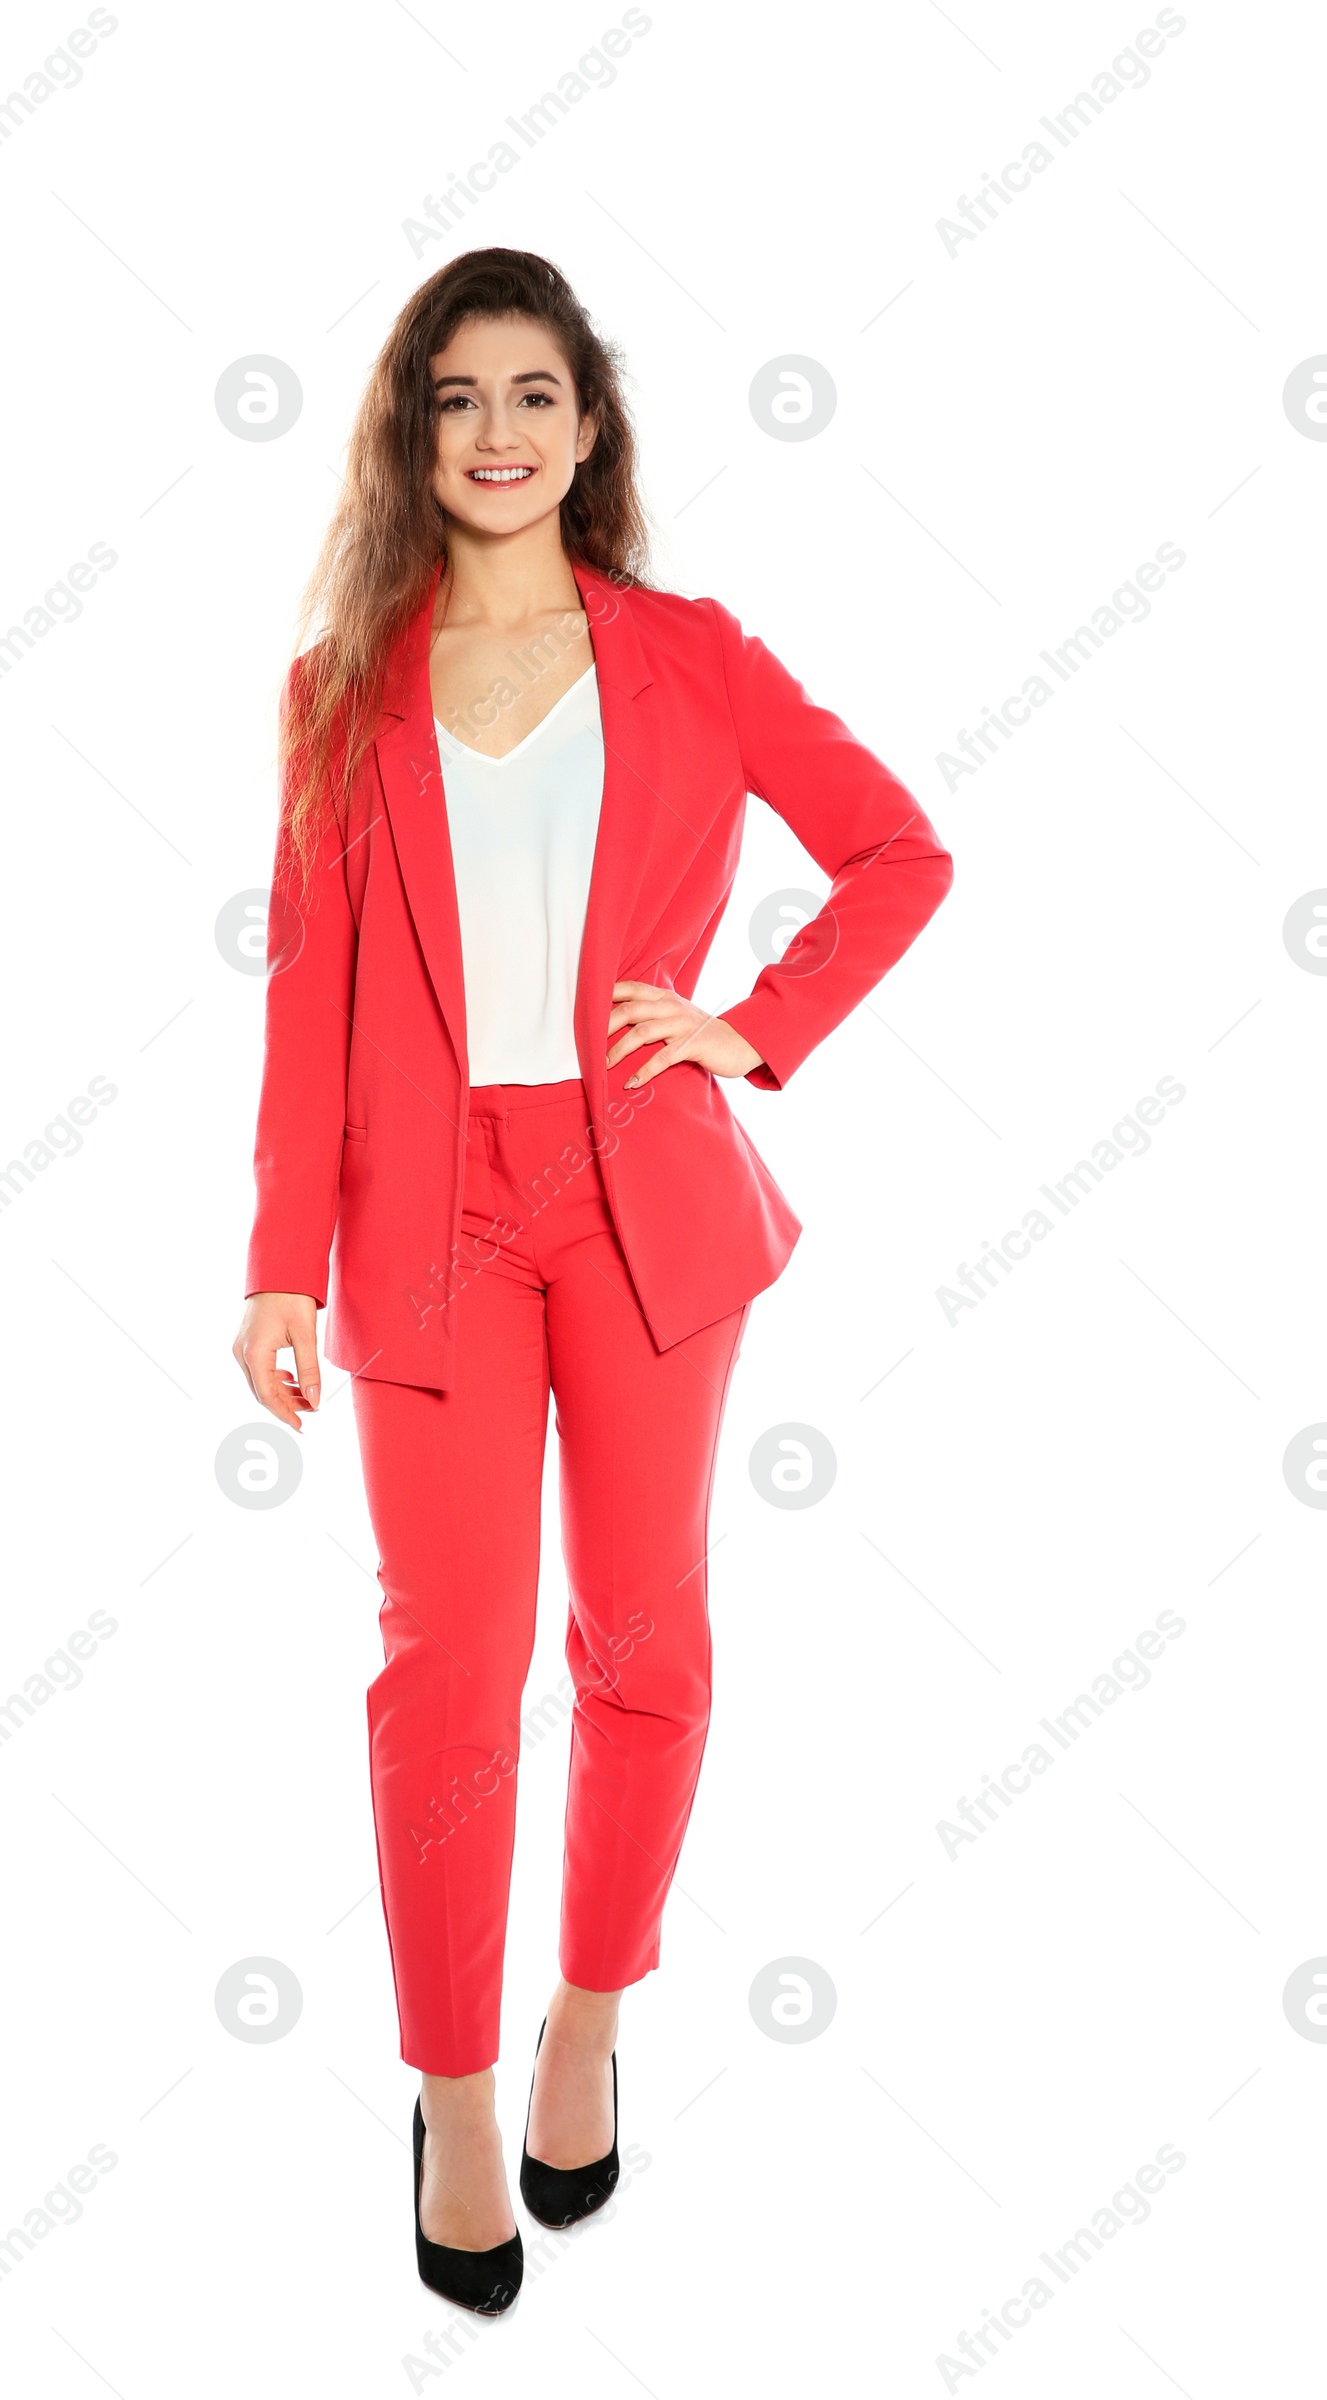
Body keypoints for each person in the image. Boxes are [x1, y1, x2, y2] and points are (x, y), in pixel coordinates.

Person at [233, 247, 953, 2311]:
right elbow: (305, 1002)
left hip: (642, 1205)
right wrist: (280, 1261)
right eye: (453, 398)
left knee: (644, 1644)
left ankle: (584, 2021)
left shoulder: (690, 655)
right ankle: (453, 2091)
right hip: (422, 1221)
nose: (495, 434)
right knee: (444, 1675)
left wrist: (749, 1024)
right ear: (408, 431)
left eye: (532, 394)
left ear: (589, 425)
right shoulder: (335, 689)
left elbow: (894, 852)